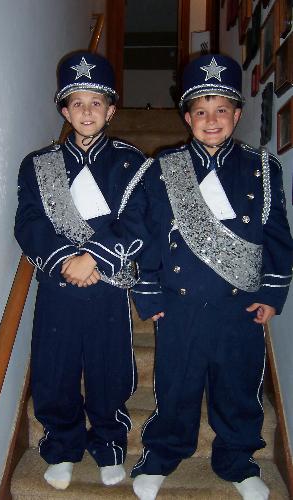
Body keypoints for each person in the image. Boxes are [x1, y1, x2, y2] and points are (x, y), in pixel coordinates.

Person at [130, 54, 293, 500]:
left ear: (237, 114)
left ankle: (238, 461)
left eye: (222, 109)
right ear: (187, 117)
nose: (212, 119)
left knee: (239, 387)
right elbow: (146, 233)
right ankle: (162, 455)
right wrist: (148, 293)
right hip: (180, 303)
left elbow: (277, 234)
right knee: (175, 385)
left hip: (239, 305)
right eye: (200, 111)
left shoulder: (262, 168)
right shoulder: (164, 168)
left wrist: (272, 293)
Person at [14, 50, 152, 490]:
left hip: (107, 286)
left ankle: (111, 443)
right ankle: (61, 445)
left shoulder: (133, 163)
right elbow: (30, 222)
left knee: (108, 367)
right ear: (63, 109)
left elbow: (137, 222)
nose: (87, 111)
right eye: (77, 102)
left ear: (111, 109)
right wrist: (64, 261)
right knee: (54, 368)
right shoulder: (37, 165)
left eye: (96, 102)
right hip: (58, 285)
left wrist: (92, 258)